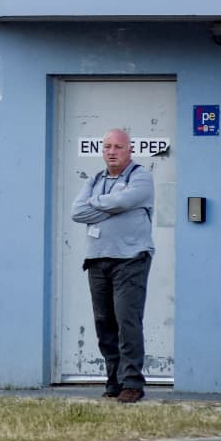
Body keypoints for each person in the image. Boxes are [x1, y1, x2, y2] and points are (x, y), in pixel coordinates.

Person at [70, 128, 154, 403]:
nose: (112, 152)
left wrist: (97, 205)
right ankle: (114, 382)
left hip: (130, 259)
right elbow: (77, 212)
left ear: (130, 150)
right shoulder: (95, 179)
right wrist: (111, 206)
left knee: (127, 321)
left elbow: (125, 200)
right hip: (97, 259)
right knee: (104, 323)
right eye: (107, 146)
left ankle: (132, 383)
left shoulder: (141, 177)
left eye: (118, 146)